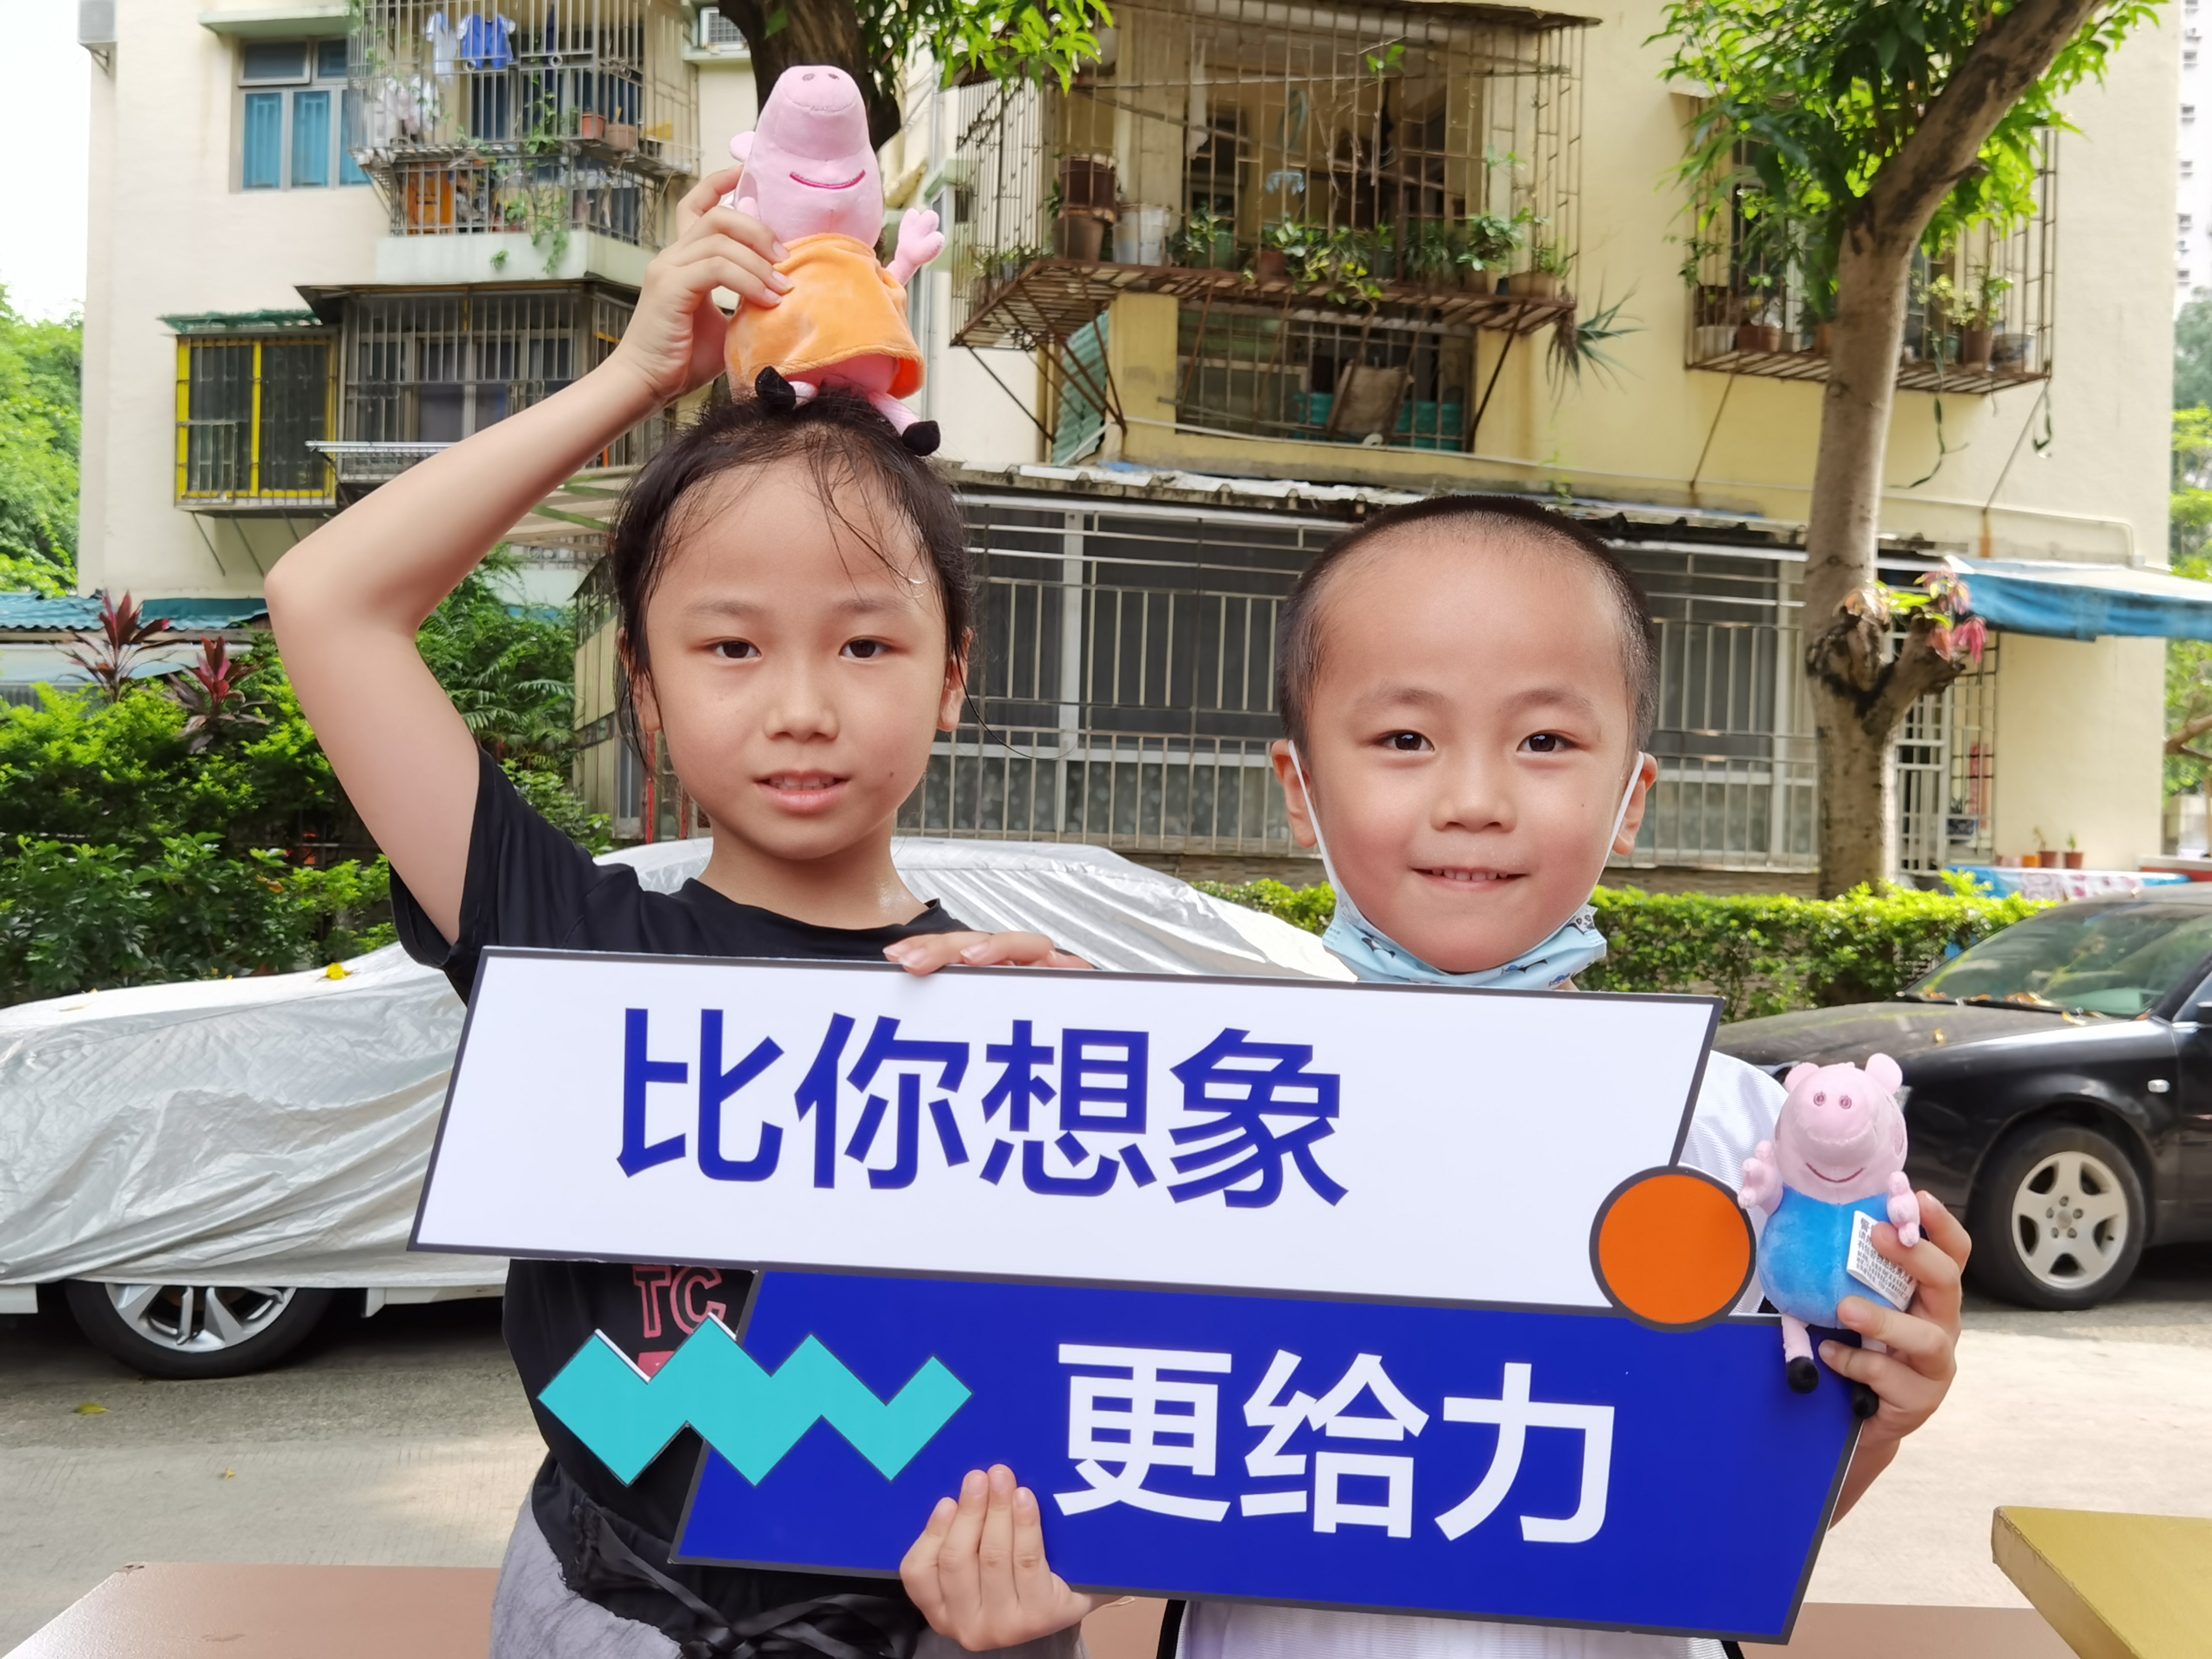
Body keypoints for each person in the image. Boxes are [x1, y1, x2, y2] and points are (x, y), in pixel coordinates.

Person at [266, 163, 1096, 1659]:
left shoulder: (1012, 1007)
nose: (802, 707)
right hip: (619, 1609)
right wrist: (633, 379)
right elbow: (329, 600)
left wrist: (1087, 1076)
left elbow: (1112, 1382)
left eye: (865, 644)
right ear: (644, 692)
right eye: (730, 647)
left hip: (944, 1623)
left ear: (953, 679)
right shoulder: (569, 953)